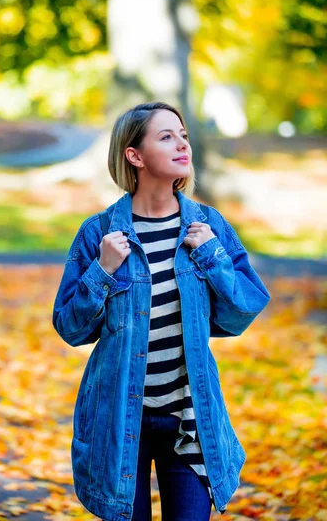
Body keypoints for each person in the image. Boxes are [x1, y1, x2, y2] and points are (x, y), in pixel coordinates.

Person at [52, 102, 271, 521]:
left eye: (183, 135)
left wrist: (211, 255)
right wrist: (101, 270)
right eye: (166, 136)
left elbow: (241, 312)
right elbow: (71, 328)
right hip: (118, 421)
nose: (182, 144)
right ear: (135, 156)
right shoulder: (100, 233)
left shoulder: (208, 226)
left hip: (190, 421)